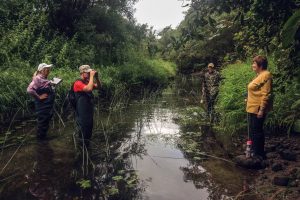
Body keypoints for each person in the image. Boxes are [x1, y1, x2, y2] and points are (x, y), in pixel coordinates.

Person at [246, 55, 272, 159]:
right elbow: (256, 91)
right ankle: (254, 151)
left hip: (258, 108)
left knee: (257, 131)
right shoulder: (259, 75)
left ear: (260, 65)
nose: (252, 65)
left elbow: (266, 94)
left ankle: (260, 154)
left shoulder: (266, 75)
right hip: (252, 107)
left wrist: (261, 110)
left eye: (254, 64)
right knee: (254, 130)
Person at [73, 65, 101, 146]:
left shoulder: (87, 81)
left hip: (88, 109)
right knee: (83, 128)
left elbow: (99, 87)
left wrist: (97, 78)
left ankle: (87, 146)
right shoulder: (78, 83)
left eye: (90, 72)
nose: (89, 74)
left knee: (89, 126)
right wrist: (92, 77)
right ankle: (82, 149)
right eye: (87, 72)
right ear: (82, 73)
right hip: (81, 111)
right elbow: (88, 88)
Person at [27, 63, 55, 139]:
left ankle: (43, 140)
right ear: (41, 70)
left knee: (45, 122)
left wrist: (51, 85)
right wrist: (39, 97)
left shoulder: (43, 78)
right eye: (46, 69)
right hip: (42, 106)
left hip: (47, 105)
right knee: (42, 122)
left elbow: (43, 86)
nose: (48, 71)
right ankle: (41, 141)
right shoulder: (38, 78)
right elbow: (30, 90)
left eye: (49, 69)